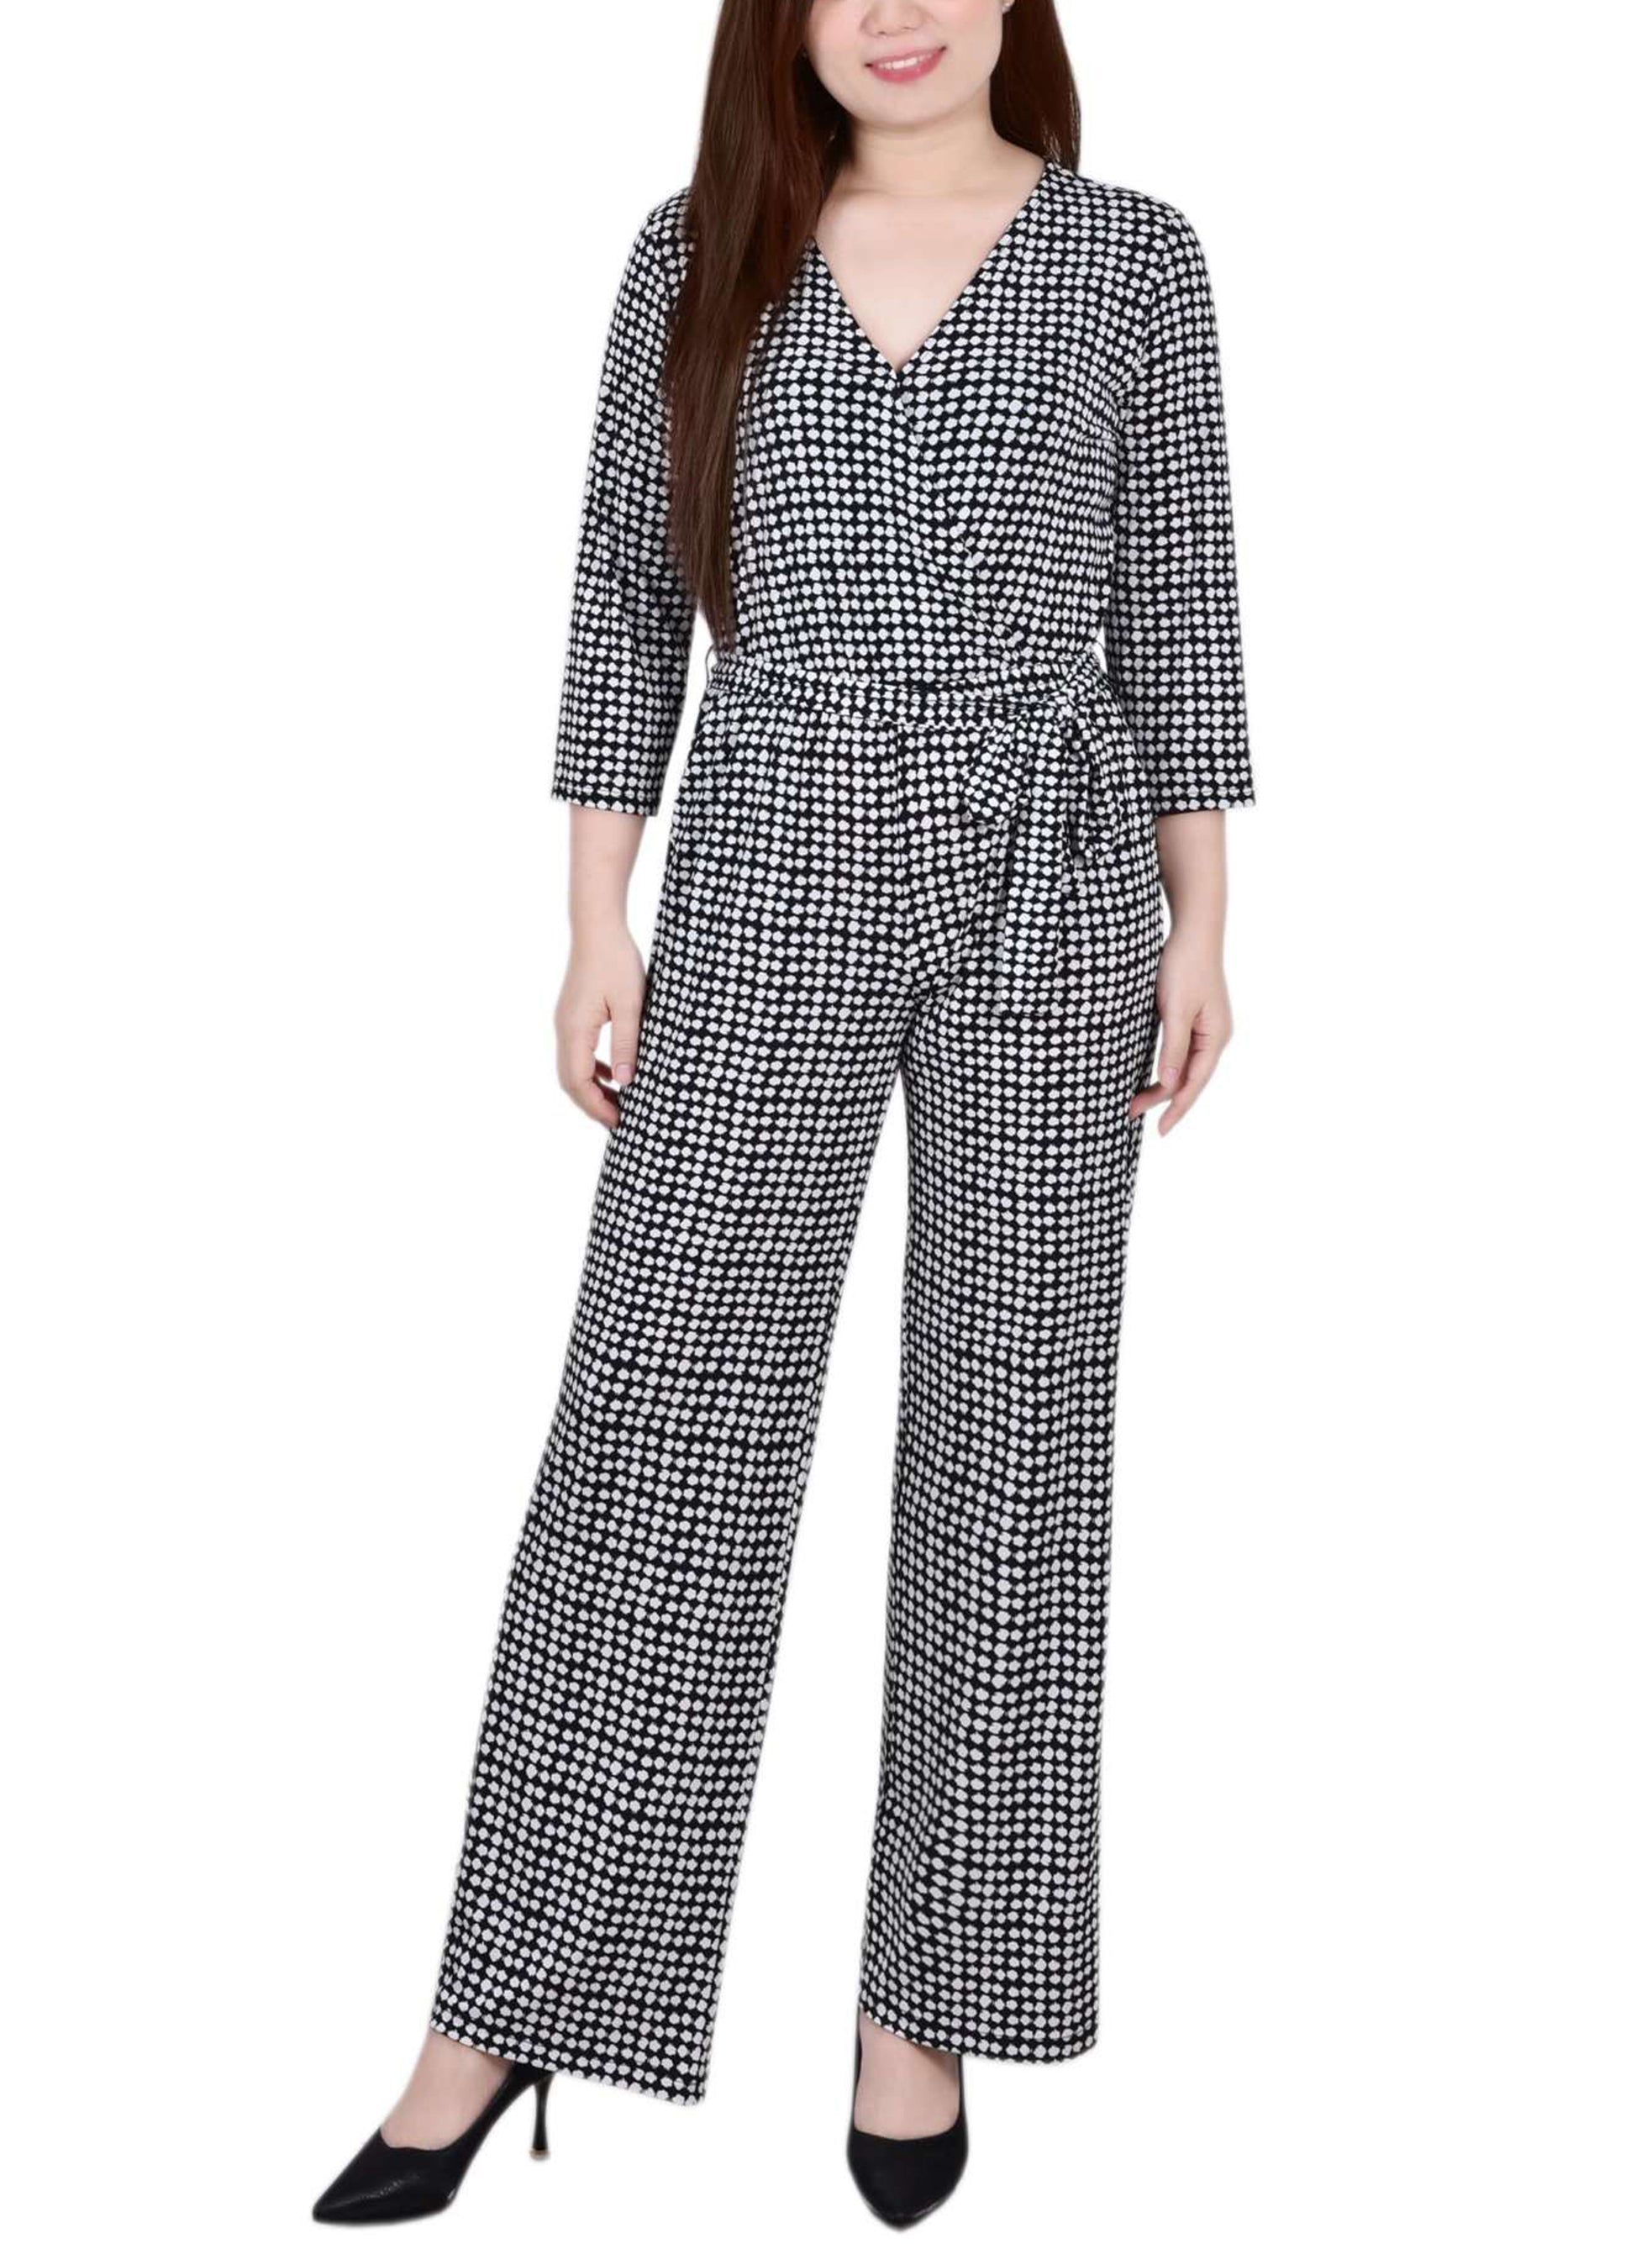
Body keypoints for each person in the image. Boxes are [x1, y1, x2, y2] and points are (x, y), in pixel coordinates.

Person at [312, 0, 1254, 2226]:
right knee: (660, 1435)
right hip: (764, 857)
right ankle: (510, 2003)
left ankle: (928, 2006)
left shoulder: (1135, 256)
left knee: (1016, 1441)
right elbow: (625, 598)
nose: (895, 11)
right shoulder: (699, 248)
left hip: (1055, 870)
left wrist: (1203, 920)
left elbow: (1183, 604)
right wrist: (593, 917)